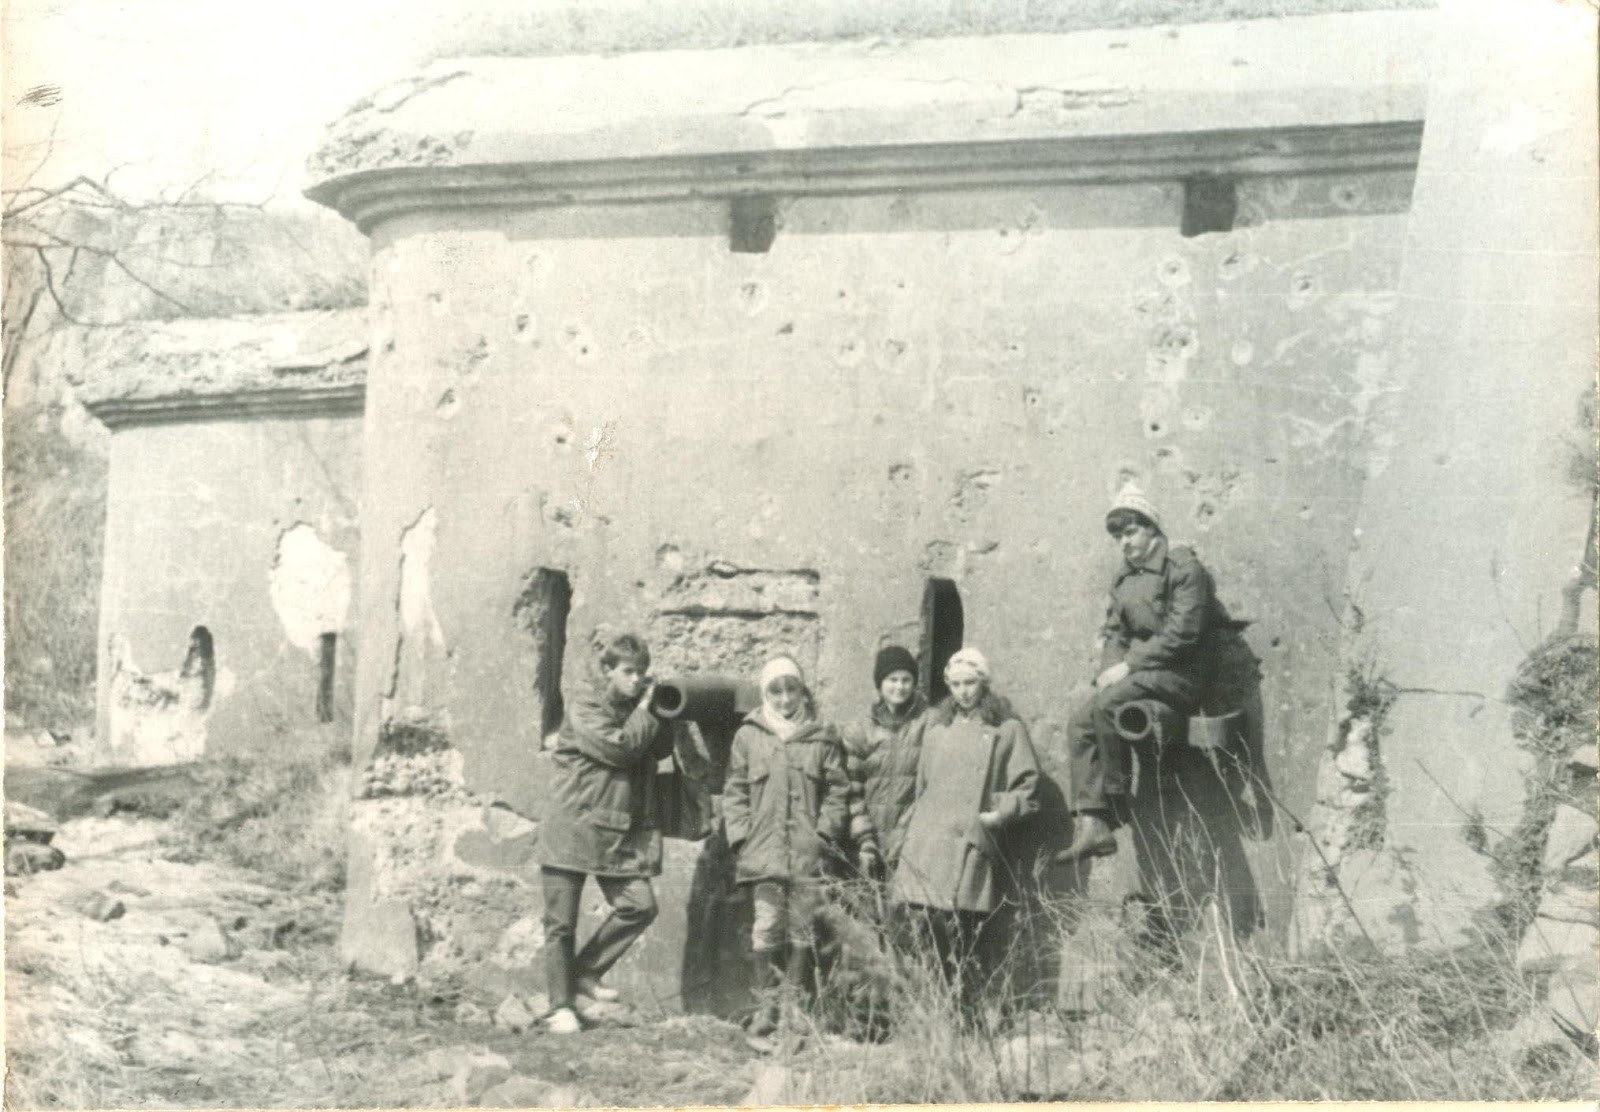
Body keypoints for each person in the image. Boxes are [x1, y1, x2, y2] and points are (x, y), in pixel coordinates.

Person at [1058, 484, 1247, 863]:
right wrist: (1109, 669)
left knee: (1108, 705)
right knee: (1080, 723)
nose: (1123, 544)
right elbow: (1116, 632)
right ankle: (1093, 824)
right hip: (1141, 676)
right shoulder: (1124, 580)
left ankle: (1117, 804)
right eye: (1117, 537)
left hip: (1183, 675)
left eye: (1130, 532)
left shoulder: (1185, 570)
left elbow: (1184, 633)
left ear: (1152, 529)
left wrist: (1128, 665)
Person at [890, 648, 1040, 1021]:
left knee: (962, 928)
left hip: (969, 839)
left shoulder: (1006, 729)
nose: (963, 692)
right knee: (923, 923)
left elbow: (1028, 787)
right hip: (929, 837)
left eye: (970, 683)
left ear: (984, 683)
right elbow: (923, 785)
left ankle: (964, 1010)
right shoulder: (937, 727)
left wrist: (997, 814)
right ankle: (933, 1007)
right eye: (955, 685)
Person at [536, 631, 673, 1034]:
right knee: (560, 923)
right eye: (628, 672)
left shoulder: (635, 708)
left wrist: (659, 708)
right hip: (571, 826)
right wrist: (646, 708)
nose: (636, 680)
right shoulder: (586, 706)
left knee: (640, 905)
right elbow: (621, 748)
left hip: (612, 830)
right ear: (607, 670)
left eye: (641, 673)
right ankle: (559, 1006)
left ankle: (584, 973)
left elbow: (659, 749)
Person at [722, 655, 852, 1038]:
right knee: (766, 927)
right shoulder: (748, 736)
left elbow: (837, 791)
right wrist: (741, 838)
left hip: (807, 855)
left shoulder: (821, 737)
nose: (783, 699)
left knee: (802, 930)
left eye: (790, 689)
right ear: (765, 694)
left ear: (802, 692)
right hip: (763, 854)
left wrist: (825, 835)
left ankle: (793, 1006)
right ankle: (767, 1007)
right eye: (775, 691)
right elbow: (735, 791)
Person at [839, 645, 927, 883]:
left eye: (906, 679)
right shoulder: (860, 729)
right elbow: (852, 791)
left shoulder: (928, 724)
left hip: (912, 843)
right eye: (892, 679)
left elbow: (930, 788)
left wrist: (906, 836)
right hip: (868, 842)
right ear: (880, 683)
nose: (899, 686)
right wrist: (865, 839)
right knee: (867, 914)